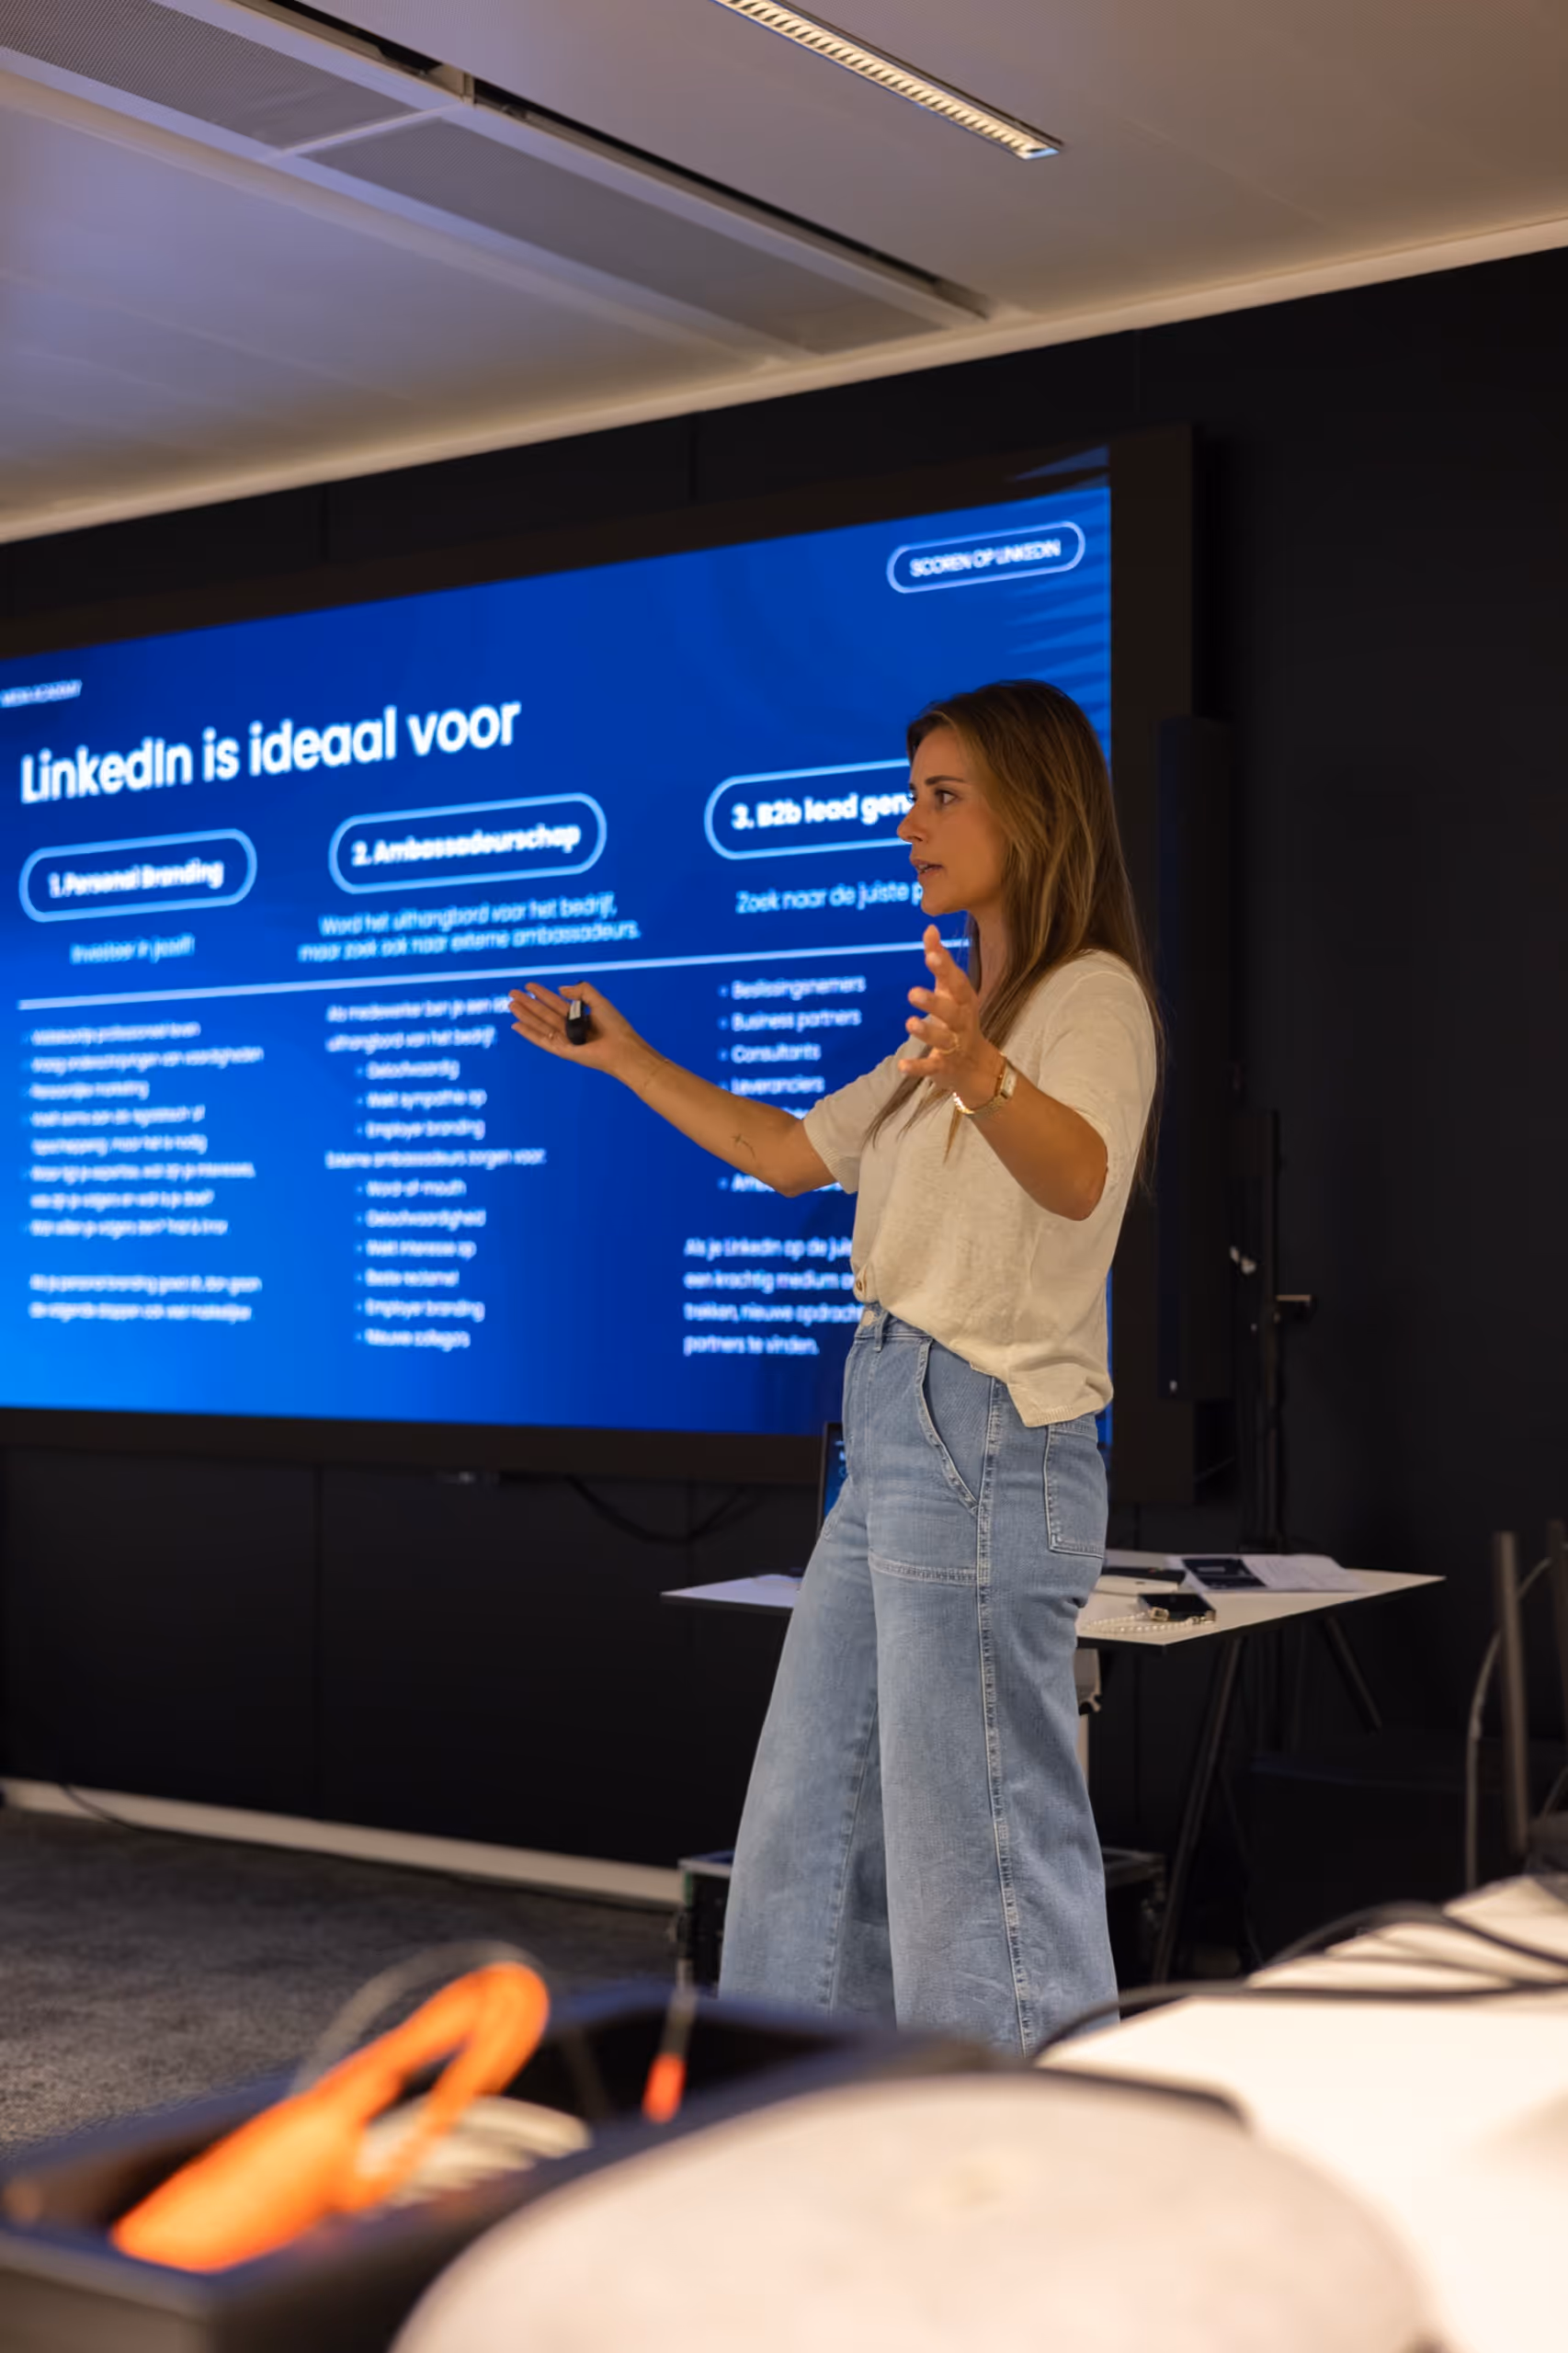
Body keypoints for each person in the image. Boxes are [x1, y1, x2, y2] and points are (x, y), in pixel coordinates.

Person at [507, 678, 1159, 2053]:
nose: (908, 822)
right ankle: (792, 2101)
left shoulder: (1083, 1000)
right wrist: (625, 1059)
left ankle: (1021, 2147)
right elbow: (784, 1152)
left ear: (1036, 811)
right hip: (896, 1434)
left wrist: (984, 1074)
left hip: (986, 1436)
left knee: (976, 1852)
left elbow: (1081, 1176)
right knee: (808, 1829)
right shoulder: (958, 1026)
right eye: (911, 794)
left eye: (943, 795)